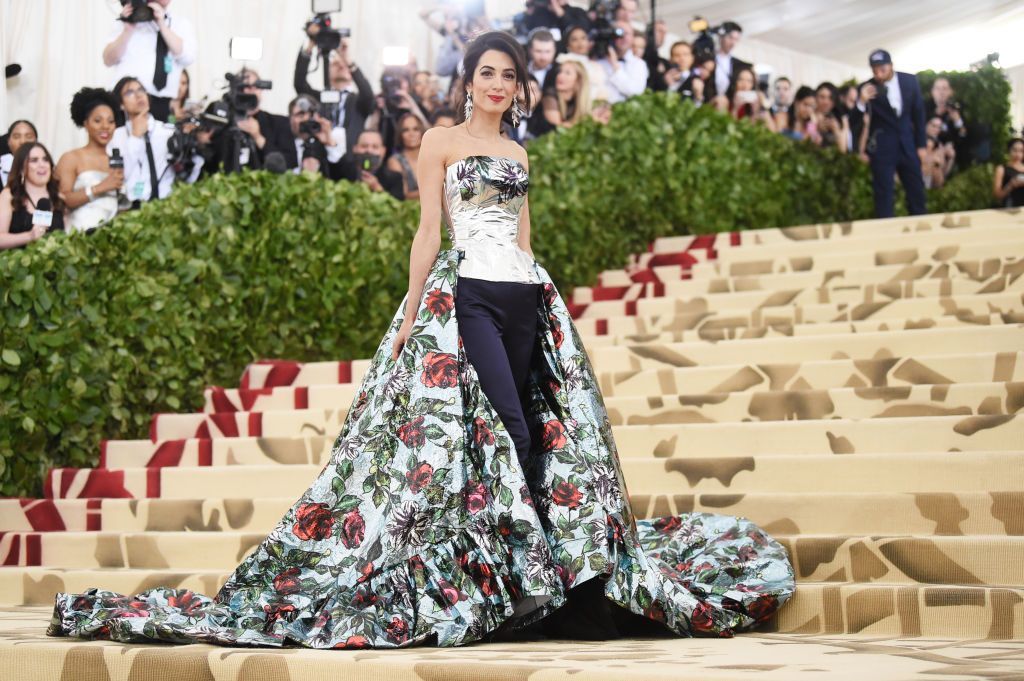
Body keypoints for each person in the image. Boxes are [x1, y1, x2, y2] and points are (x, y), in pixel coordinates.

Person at [48, 29, 794, 650]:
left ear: (518, 88)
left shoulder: (522, 155)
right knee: (501, 423)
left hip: (524, 296)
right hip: (466, 293)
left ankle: (540, 581)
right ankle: (511, 581)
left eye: (509, 75)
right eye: (487, 73)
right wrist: (412, 316)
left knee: (535, 431)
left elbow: (526, 236)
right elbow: (428, 232)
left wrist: (545, 300)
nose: (498, 84)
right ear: (468, 81)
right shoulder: (439, 140)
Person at [857, 49, 927, 217]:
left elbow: (919, 114)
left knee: (916, 191)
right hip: (882, 149)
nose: (879, 74)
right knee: (883, 196)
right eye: (875, 70)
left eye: (882, 69)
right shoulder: (866, 88)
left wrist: (921, 145)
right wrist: (861, 102)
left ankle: (921, 228)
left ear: (891, 66)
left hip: (907, 145)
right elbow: (856, 121)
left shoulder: (909, 81)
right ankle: (886, 233)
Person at [110, 76, 202, 204]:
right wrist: (135, 137)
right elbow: (121, 176)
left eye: (141, 90)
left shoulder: (169, 132)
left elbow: (189, 178)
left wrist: (194, 151)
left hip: (167, 205)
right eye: (129, 92)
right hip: (131, 207)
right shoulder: (116, 136)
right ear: (121, 104)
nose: (138, 95)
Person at [102, 0, 197, 122]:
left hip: (162, 102)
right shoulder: (126, 20)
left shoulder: (180, 23)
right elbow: (108, 60)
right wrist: (128, 28)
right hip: (126, 101)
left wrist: (162, 25)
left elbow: (188, 57)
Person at [55, 87, 123, 232]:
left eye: (111, 121)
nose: (105, 126)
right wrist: (101, 187)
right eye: (98, 121)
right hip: (80, 236)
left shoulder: (116, 161)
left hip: (111, 236)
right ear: (85, 123)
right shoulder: (71, 158)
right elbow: (63, 200)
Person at [294, 37, 376, 155]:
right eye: (335, 64)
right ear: (327, 71)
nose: (341, 67)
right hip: (320, 154)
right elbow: (300, 84)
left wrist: (348, 60)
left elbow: (368, 95)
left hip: (350, 157)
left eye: (344, 65)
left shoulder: (357, 101)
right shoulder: (318, 98)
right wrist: (310, 45)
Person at [0, 142, 66, 250]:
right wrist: (30, 236)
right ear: (21, 168)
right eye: (34, 160)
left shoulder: (59, 198)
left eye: (45, 159)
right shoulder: (8, 196)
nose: (42, 165)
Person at [278, 94, 346, 177]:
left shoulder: (324, 145)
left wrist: (329, 143)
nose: (306, 119)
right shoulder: (281, 143)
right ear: (290, 118)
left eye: (311, 115)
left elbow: (342, 174)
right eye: (301, 115)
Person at [336, 130, 405, 200]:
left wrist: (377, 189)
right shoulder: (342, 171)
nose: (369, 150)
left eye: (375, 147)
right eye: (364, 146)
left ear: (383, 151)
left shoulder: (395, 178)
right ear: (355, 148)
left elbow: (398, 206)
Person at [533, 60, 592, 137]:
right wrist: (591, 120)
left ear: (578, 80)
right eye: (560, 72)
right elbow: (559, 126)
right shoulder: (550, 95)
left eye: (567, 73)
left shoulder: (581, 101)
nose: (560, 76)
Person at [597, 21, 649, 104]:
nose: (623, 37)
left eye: (627, 33)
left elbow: (635, 92)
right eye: (619, 32)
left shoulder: (639, 64)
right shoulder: (599, 62)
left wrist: (615, 66)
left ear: (632, 38)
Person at [387, 112, 426, 200]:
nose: (411, 134)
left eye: (416, 129)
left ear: (422, 132)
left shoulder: (434, 157)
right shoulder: (395, 161)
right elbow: (403, 196)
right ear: (400, 135)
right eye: (405, 130)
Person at [708, 21, 751, 102]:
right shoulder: (708, 59)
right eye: (730, 38)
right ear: (721, 36)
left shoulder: (739, 65)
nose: (733, 43)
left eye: (736, 39)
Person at [0, 120, 38, 188]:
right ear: (8, 142)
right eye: (16, 137)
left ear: (36, 141)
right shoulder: (2, 168)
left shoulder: (45, 167)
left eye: (28, 136)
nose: (22, 141)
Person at [814, 82, 849, 152]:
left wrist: (836, 130)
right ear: (815, 97)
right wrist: (817, 128)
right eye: (822, 97)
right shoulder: (808, 115)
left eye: (830, 98)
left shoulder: (840, 118)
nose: (826, 102)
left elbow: (843, 150)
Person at [921, 116, 955, 189]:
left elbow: (944, 173)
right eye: (934, 126)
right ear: (927, 124)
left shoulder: (940, 146)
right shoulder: (917, 140)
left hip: (933, 184)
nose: (936, 129)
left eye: (939, 127)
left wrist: (950, 159)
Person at [993, 138, 1024, 207]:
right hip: (1009, 209)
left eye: (1021, 151)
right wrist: (1011, 185)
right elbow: (997, 195)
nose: (1018, 154)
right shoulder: (1002, 169)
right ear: (1009, 151)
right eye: (1014, 150)